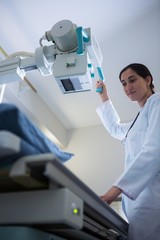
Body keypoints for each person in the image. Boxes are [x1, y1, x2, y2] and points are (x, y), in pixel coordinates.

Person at [96, 63, 160, 240]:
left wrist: (115, 191)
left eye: (132, 80)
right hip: (141, 203)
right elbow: (116, 129)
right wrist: (104, 97)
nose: (127, 87)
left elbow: (154, 151)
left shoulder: (157, 103)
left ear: (147, 80)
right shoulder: (139, 118)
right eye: (123, 84)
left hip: (153, 200)